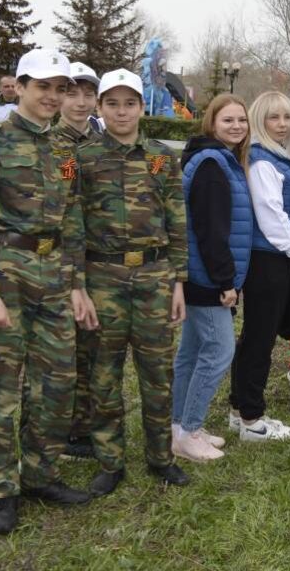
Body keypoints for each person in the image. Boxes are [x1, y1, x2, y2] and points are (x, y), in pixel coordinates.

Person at [0, 48, 92, 535]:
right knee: (0, 386)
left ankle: (40, 475)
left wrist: (77, 283)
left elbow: (73, 218)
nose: (54, 97)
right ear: (18, 86)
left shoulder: (64, 151)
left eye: (62, 89)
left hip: (55, 273)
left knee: (56, 383)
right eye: (44, 87)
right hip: (6, 272)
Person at [77, 69, 191, 495]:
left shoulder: (161, 156)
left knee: (157, 373)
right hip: (101, 277)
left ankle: (161, 458)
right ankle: (110, 461)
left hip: (154, 278)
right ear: (100, 108)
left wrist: (179, 280)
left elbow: (176, 219)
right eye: (112, 103)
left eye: (129, 103)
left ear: (142, 107)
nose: (121, 112)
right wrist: (78, 285)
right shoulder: (81, 158)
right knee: (103, 374)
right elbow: (71, 223)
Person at [228, 91, 290, 440]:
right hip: (269, 260)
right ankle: (252, 419)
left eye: (287, 117)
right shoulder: (263, 160)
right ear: (259, 121)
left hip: (275, 257)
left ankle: (240, 410)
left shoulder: (278, 157)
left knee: (256, 338)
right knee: (259, 341)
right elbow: (271, 216)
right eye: (273, 118)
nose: (282, 124)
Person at [173, 93, 252, 461]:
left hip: (202, 274)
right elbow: (210, 230)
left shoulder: (217, 159)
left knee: (191, 352)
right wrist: (226, 282)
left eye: (241, 120)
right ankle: (189, 431)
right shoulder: (211, 164)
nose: (236, 126)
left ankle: (178, 427)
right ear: (211, 124)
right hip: (207, 277)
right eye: (228, 120)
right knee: (219, 351)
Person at [47, 61, 101, 460]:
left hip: (101, 259)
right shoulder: (55, 144)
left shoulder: (101, 136)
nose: (81, 102)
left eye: (87, 93)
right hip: (63, 260)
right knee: (65, 352)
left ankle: (83, 427)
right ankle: (62, 432)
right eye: (72, 93)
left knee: (92, 347)